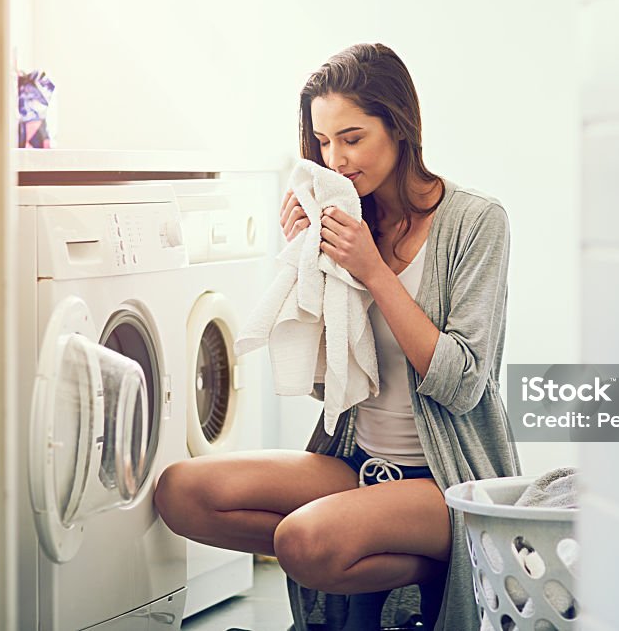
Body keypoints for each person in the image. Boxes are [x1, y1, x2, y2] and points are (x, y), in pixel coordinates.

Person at [154, 43, 521, 631]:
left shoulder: (476, 220)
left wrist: (374, 270)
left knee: (303, 543)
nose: (337, 158)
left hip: (446, 479)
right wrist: (305, 261)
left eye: (352, 137)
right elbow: (329, 383)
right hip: (357, 461)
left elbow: (464, 383)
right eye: (324, 142)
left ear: (400, 128)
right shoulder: (346, 215)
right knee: (182, 491)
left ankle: (444, 563)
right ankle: (397, 558)